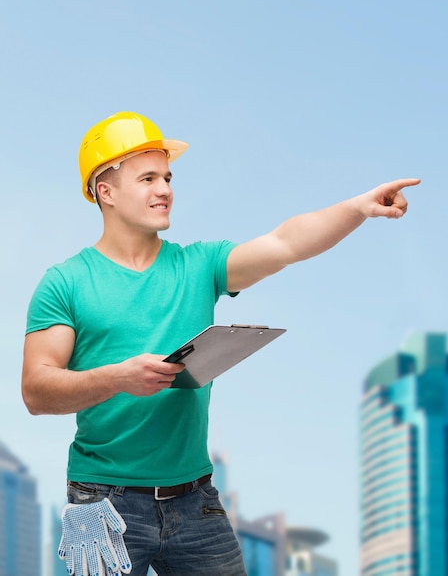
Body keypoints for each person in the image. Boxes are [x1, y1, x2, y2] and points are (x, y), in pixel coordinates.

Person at [21, 111, 420, 576]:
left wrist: (358, 208)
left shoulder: (200, 266)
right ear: (105, 192)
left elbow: (286, 243)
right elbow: (37, 390)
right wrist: (120, 377)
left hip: (195, 501)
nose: (165, 189)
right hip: (102, 503)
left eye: (167, 177)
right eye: (148, 177)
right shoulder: (66, 283)